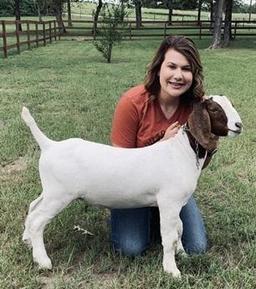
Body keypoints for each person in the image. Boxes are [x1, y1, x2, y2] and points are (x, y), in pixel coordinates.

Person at [110, 36, 207, 257]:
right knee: (131, 247)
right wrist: (162, 146)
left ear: (194, 74)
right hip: (131, 186)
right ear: (158, 68)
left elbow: (197, 164)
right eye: (171, 66)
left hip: (171, 187)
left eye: (186, 69)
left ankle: (160, 213)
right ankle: (149, 216)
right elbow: (118, 164)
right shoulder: (132, 102)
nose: (178, 75)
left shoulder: (197, 109)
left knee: (196, 248)